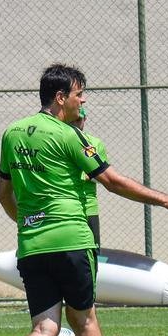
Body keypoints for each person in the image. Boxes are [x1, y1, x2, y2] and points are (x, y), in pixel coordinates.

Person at [0, 63, 168, 336]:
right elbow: (113, 182)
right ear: (61, 98)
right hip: (72, 240)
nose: (82, 101)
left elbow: (2, 193)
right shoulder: (70, 136)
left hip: (31, 244)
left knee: (45, 326)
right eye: (78, 95)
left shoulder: (12, 134)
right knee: (85, 319)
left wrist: (28, 225)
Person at [70, 106, 103, 248]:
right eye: (72, 120)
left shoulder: (94, 143)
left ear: (84, 119)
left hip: (89, 208)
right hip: (67, 209)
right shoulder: (60, 141)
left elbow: (102, 175)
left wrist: (89, 175)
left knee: (92, 253)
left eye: (78, 120)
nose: (75, 124)